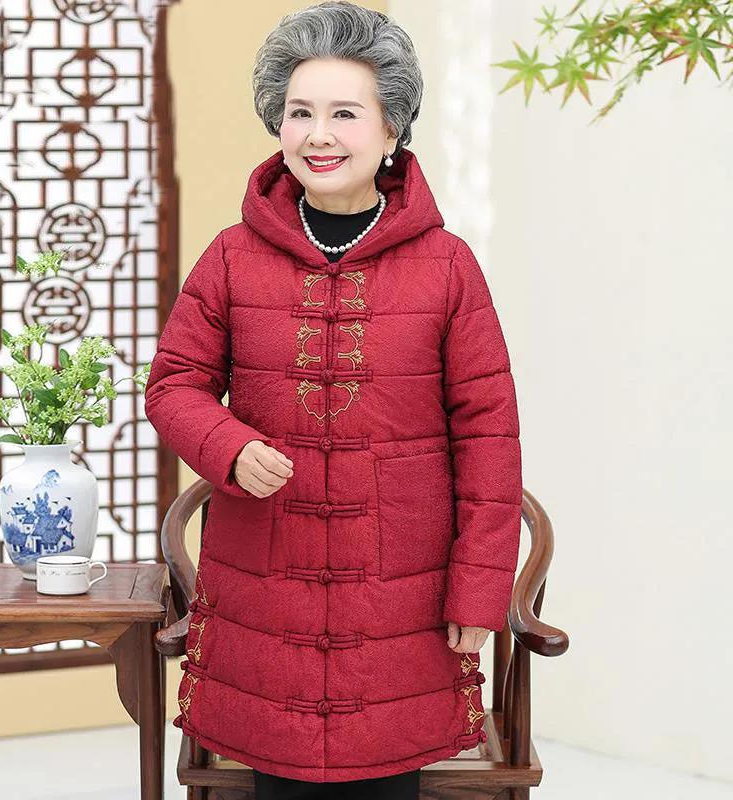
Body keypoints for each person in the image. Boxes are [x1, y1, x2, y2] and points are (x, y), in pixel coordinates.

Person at [144, 2, 522, 798]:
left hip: (402, 593)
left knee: (387, 776)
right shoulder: (232, 257)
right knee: (275, 774)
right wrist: (229, 447)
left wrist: (479, 589)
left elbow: (489, 437)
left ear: (392, 129)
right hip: (263, 582)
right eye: (300, 112)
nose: (319, 134)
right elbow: (174, 384)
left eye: (345, 113)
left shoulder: (448, 266)